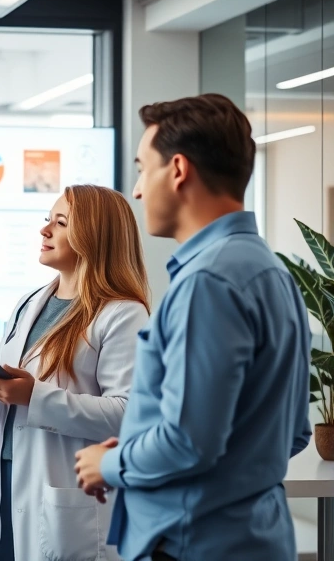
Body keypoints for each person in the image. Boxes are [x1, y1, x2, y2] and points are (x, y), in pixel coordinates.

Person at [74, 94, 312, 561]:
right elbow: (290, 431)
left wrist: (113, 463)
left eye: (143, 168)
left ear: (178, 169)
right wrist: (141, 447)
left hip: (195, 542)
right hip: (250, 538)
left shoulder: (209, 281)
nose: (138, 190)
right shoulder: (269, 271)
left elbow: (188, 442)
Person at [0, 184, 150, 561]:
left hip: (65, 492)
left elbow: (130, 415)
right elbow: (4, 409)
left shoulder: (123, 313)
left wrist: (33, 396)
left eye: (60, 223)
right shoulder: (29, 304)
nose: (45, 231)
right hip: (9, 481)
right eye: (48, 220)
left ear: (94, 236)